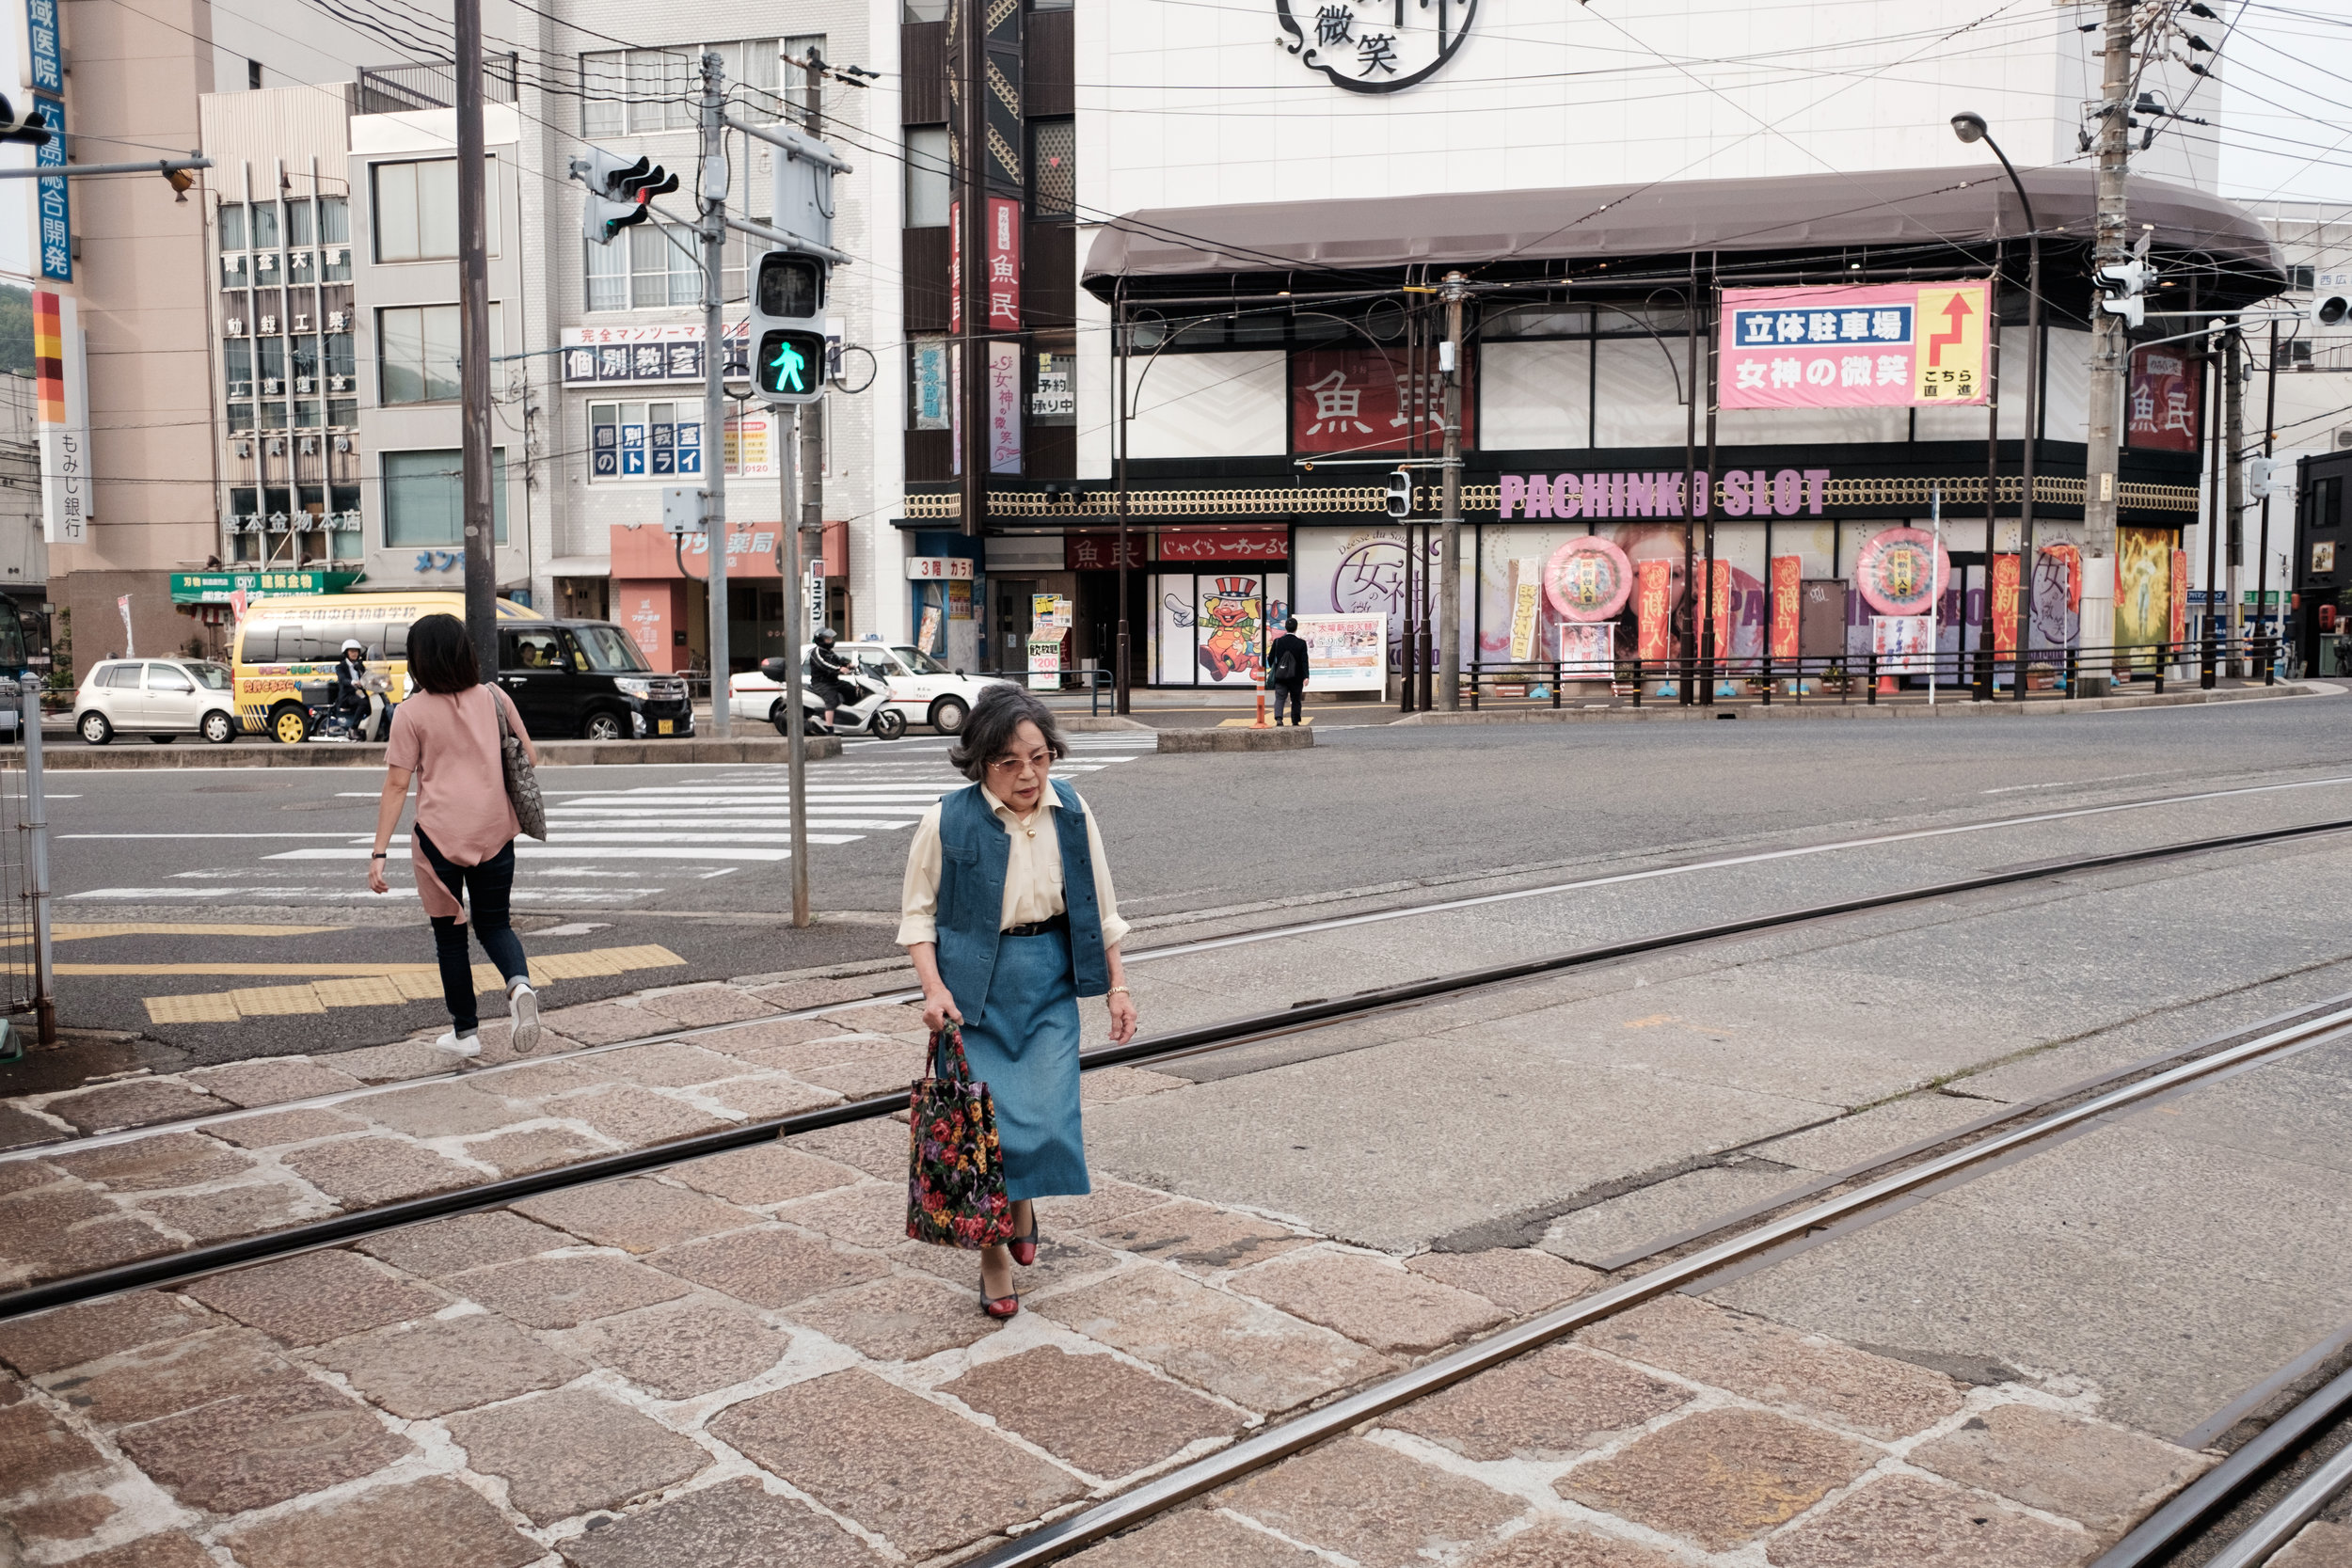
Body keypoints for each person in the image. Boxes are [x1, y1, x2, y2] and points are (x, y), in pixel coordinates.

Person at [899, 686, 1138, 1319]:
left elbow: (1102, 909)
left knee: (1046, 1124)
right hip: (975, 992)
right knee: (986, 1133)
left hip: (1049, 982)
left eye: (1039, 756)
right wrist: (934, 988)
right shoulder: (946, 820)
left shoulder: (1073, 812)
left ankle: (1024, 1203)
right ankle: (993, 1258)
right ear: (980, 761)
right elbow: (917, 917)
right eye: (1010, 761)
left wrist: (1117, 985)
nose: (1028, 773)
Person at [366, 613, 542, 1060]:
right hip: (495, 831)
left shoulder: (410, 714)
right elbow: (531, 757)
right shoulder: (494, 697)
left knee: (450, 936)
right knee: (496, 924)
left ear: (418, 659)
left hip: (439, 838)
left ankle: (466, 1034)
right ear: (465, 651)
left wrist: (379, 853)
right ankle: (519, 983)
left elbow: (397, 786)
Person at [1265, 615, 1309, 726]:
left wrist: (1274, 667)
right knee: (1295, 699)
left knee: (1280, 697)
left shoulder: (1278, 641)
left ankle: (1279, 718)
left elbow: (1270, 658)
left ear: (1286, 627)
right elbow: (1304, 661)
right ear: (1296, 628)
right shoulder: (1301, 643)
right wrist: (1306, 676)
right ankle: (1295, 720)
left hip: (1281, 675)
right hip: (1296, 677)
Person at [809, 626, 854, 731]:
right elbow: (824, 665)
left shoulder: (829, 652)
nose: (831, 641)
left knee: (851, 689)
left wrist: (848, 664)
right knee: (832, 700)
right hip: (821, 683)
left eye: (831, 638)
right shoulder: (817, 652)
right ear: (821, 640)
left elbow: (838, 660)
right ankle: (829, 726)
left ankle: (846, 717)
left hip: (833, 681)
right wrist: (839, 669)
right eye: (828, 639)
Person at [331, 639, 372, 731]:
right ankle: (353, 728)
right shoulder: (340, 667)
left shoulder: (360, 665)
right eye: (352, 651)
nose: (355, 653)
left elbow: (367, 675)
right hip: (347, 696)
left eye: (356, 651)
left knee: (372, 704)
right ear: (346, 653)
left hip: (359, 693)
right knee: (363, 703)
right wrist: (353, 682)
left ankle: (367, 728)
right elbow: (342, 679)